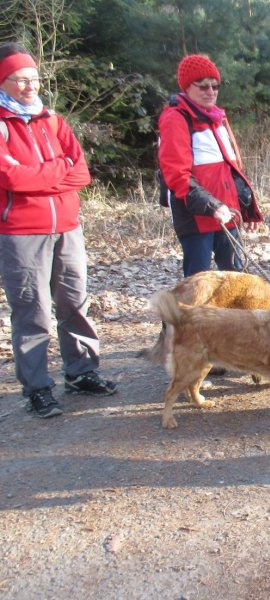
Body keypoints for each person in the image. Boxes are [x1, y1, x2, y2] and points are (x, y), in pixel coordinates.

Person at [0, 42, 117, 419]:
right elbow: (9, 176)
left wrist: (46, 177)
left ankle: (82, 372)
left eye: (33, 78)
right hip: (21, 231)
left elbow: (81, 171)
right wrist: (57, 173)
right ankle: (37, 388)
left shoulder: (52, 120)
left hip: (67, 226)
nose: (29, 86)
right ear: (3, 82)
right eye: (19, 79)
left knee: (74, 302)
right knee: (32, 311)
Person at [158, 54, 262, 278]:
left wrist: (248, 208)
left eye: (215, 86)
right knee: (199, 284)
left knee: (237, 280)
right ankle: (181, 314)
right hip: (197, 218)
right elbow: (177, 175)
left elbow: (232, 169)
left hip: (228, 214)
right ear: (187, 87)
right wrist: (211, 206)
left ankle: (232, 315)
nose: (211, 91)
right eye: (203, 86)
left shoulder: (217, 118)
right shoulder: (175, 118)